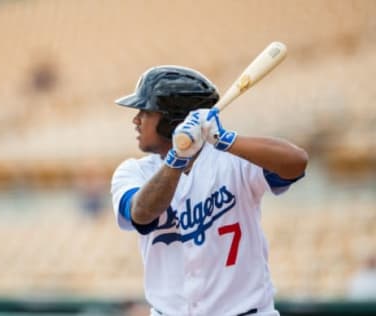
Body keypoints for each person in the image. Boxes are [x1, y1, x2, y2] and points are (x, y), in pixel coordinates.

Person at [110, 66, 308, 316]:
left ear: (172, 121)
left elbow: (296, 163)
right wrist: (177, 157)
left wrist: (227, 140)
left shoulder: (234, 161)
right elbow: (141, 213)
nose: (136, 120)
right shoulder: (133, 172)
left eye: (145, 112)